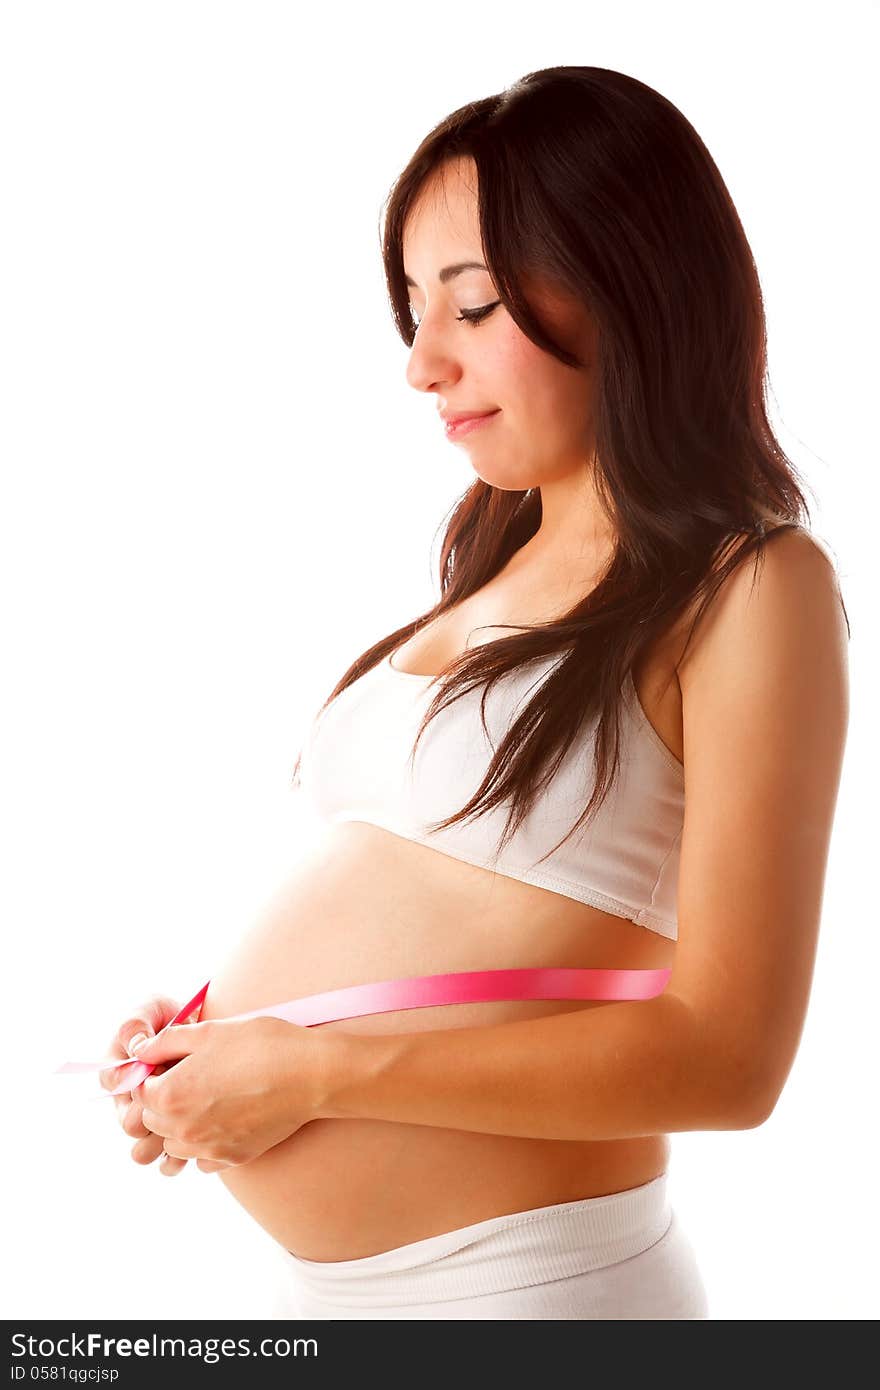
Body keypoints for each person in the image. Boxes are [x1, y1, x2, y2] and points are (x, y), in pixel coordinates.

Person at [99, 65, 850, 1320]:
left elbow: (730, 1059)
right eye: (410, 309)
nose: (422, 363)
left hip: (530, 1298)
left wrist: (313, 1072)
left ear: (632, 281)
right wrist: (214, 1042)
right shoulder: (488, 563)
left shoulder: (749, 585)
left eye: (474, 302)